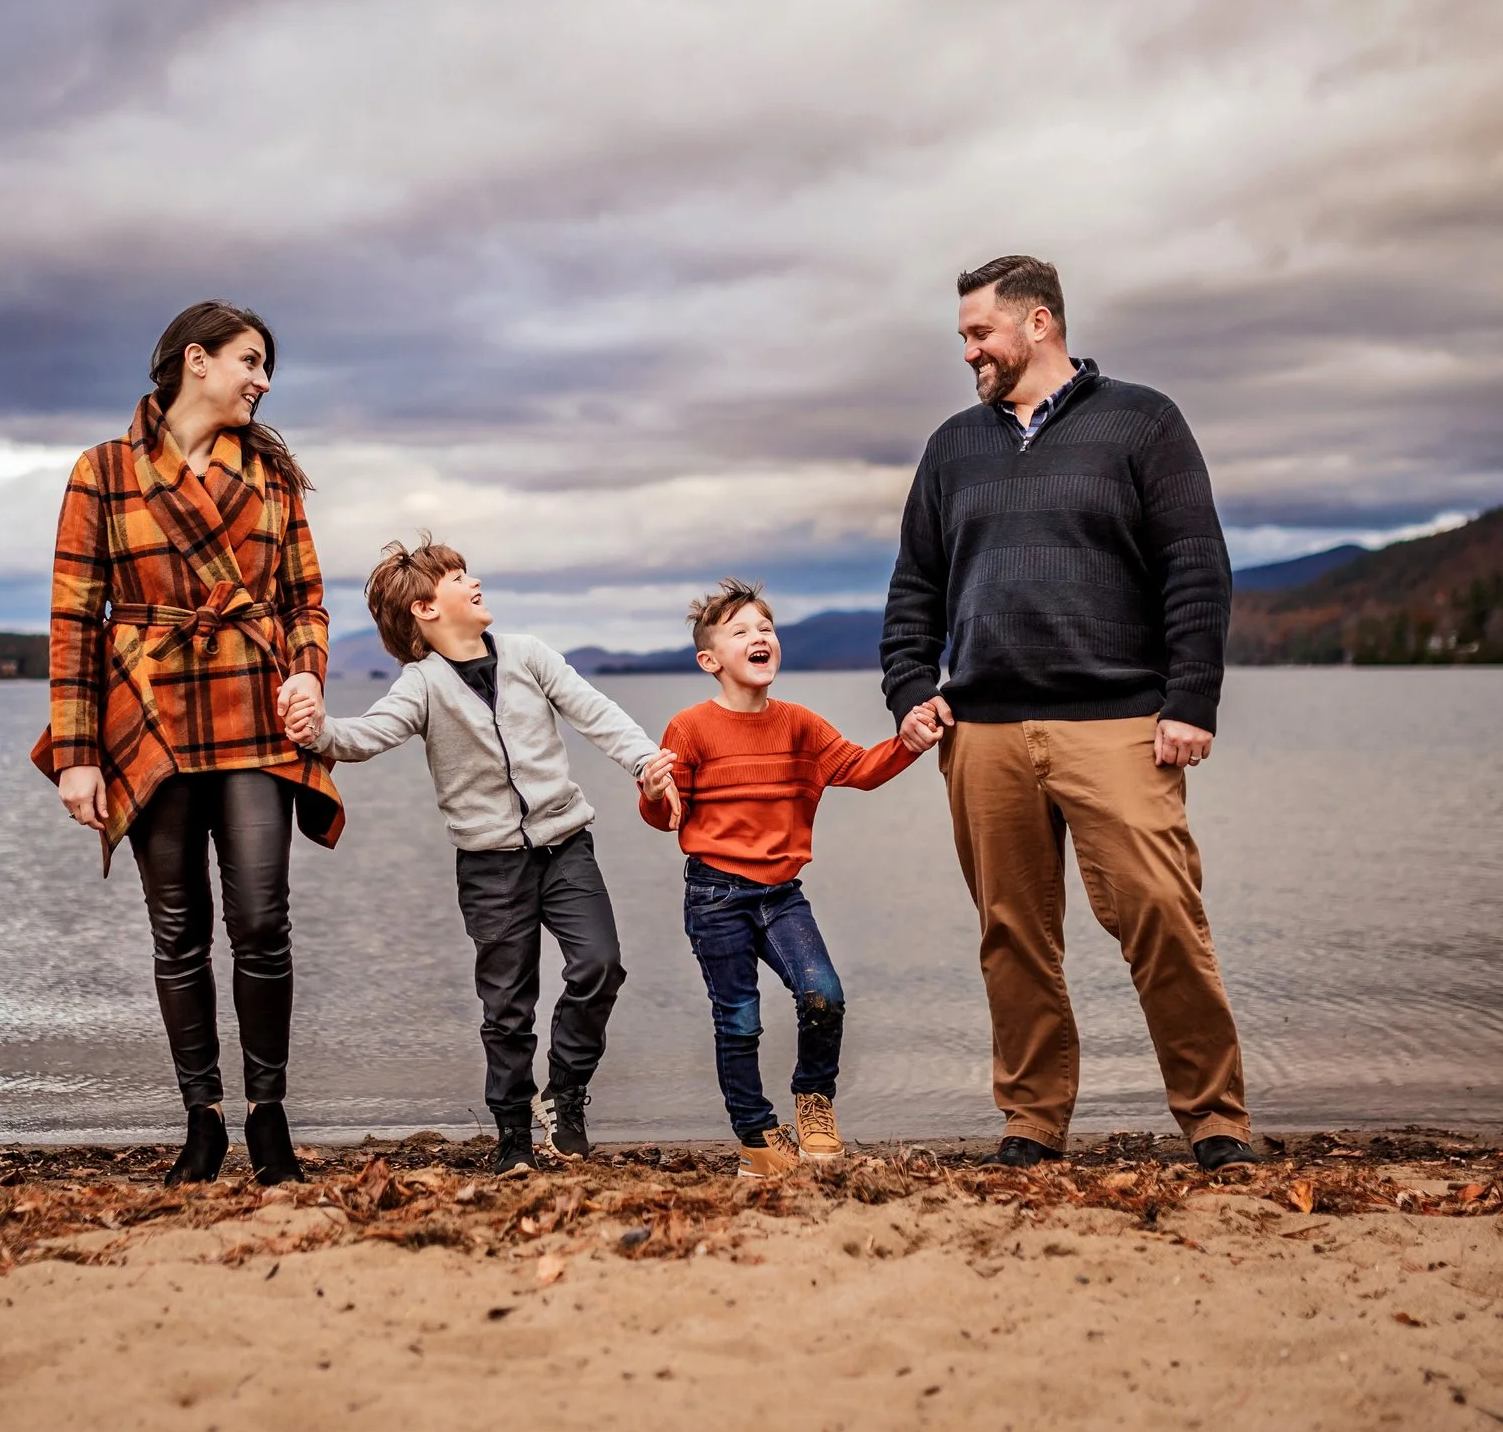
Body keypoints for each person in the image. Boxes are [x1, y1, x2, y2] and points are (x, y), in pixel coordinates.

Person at [882, 255, 1259, 1172]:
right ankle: (1032, 1119)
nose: (968, 350)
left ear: (1039, 322)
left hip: (1119, 721)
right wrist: (910, 688)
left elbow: (1195, 566)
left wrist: (1191, 699)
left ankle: (1216, 1120)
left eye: (981, 332)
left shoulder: (1143, 421)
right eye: (963, 335)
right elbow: (915, 587)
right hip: (983, 729)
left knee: (1162, 912)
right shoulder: (951, 448)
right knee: (1012, 935)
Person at [31, 301, 342, 1189]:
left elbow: (305, 601)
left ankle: (269, 1118)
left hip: (253, 706)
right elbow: (72, 618)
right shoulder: (102, 470)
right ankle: (202, 1121)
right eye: (251, 360)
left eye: (267, 366)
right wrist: (77, 751)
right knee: (179, 931)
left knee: (262, 922)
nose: (263, 381)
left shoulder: (271, 476)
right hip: (149, 711)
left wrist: (309, 675)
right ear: (196, 360)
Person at [281, 538, 678, 1176]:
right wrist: (318, 731)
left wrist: (645, 761)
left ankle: (565, 1091)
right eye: (458, 577)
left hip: (566, 845)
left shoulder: (529, 654)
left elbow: (596, 712)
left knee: (600, 964)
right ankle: (513, 1132)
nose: (473, 582)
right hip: (491, 867)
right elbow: (368, 734)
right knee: (508, 1007)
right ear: (425, 609)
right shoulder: (421, 685)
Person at [640, 580, 931, 1179]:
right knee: (739, 1018)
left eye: (766, 628)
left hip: (781, 896)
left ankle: (814, 1101)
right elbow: (668, 816)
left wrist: (907, 743)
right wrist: (650, 790)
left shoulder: (800, 725)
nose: (760, 637)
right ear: (710, 661)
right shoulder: (689, 728)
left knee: (824, 995)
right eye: (741, 631)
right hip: (716, 894)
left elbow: (861, 769)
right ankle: (756, 1137)